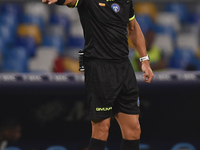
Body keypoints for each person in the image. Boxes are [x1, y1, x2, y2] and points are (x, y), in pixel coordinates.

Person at [42, 0, 154, 150]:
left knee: (134, 130)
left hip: (124, 67)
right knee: (102, 129)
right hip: (99, 68)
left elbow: (133, 28)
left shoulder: (126, 1)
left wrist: (145, 61)